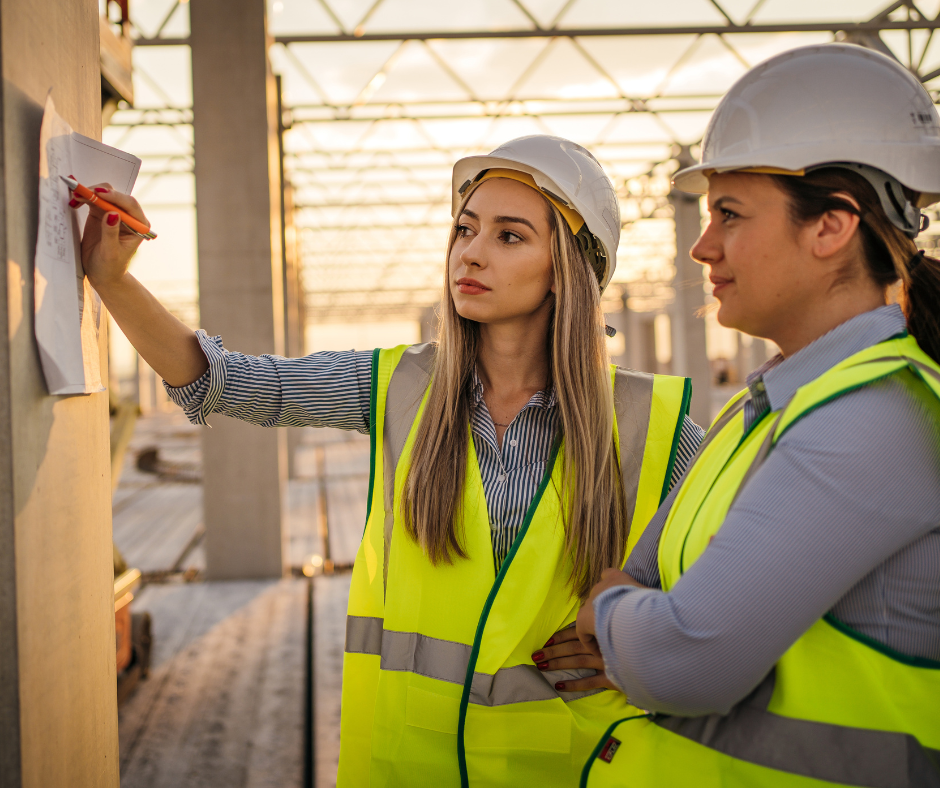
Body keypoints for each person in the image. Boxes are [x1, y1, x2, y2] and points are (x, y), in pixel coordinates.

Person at [77, 134, 704, 786]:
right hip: (411, 768)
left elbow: (757, 580)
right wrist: (112, 281)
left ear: (568, 269)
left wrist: (651, 646)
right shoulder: (396, 387)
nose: (471, 252)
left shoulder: (652, 425)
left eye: (509, 236)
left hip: (568, 771)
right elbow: (225, 382)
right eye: (465, 229)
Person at [571, 44, 940, 787]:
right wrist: (633, 615)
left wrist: (609, 613)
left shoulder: (873, 420)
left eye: (730, 215)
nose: (702, 247)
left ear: (831, 228)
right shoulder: (766, 406)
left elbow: (680, 659)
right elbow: (647, 571)